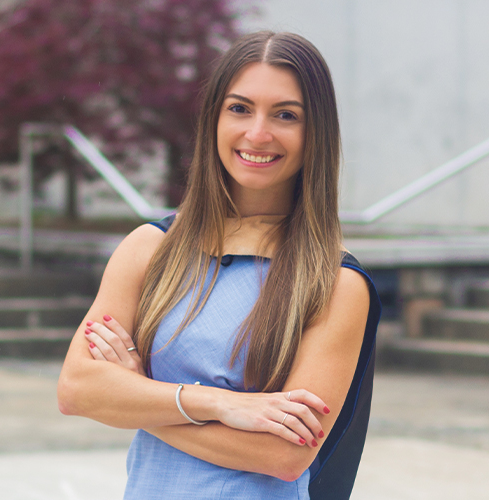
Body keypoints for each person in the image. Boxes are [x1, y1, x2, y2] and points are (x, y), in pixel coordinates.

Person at [57, 31, 381, 500]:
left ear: (317, 133)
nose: (257, 133)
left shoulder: (336, 284)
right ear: (214, 118)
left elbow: (285, 456)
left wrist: (137, 393)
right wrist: (220, 404)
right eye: (240, 108)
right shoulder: (149, 249)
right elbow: (76, 389)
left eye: (285, 115)